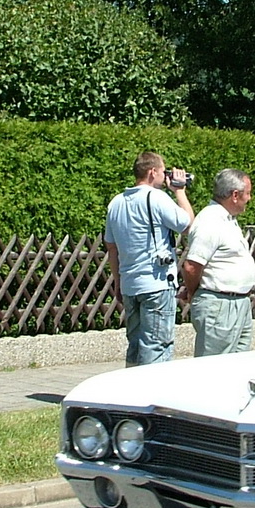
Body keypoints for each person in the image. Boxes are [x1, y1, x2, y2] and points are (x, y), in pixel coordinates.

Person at [104, 151, 194, 366]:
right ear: (153, 172)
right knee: (157, 345)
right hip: (156, 283)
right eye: (164, 172)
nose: (166, 176)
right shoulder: (156, 198)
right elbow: (189, 225)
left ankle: (131, 395)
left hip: (129, 284)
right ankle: (150, 396)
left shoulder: (116, 202)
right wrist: (180, 192)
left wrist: (117, 281)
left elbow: (112, 247)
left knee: (135, 344)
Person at [181, 169, 255, 356]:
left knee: (237, 368)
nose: (250, 198)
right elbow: (191, 266)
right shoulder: (210, 221)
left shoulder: (228, 220)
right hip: (220, 305)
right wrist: (193, 292)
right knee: (214, 370)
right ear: (235, 195)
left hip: (238, 303)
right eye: (248, 193)